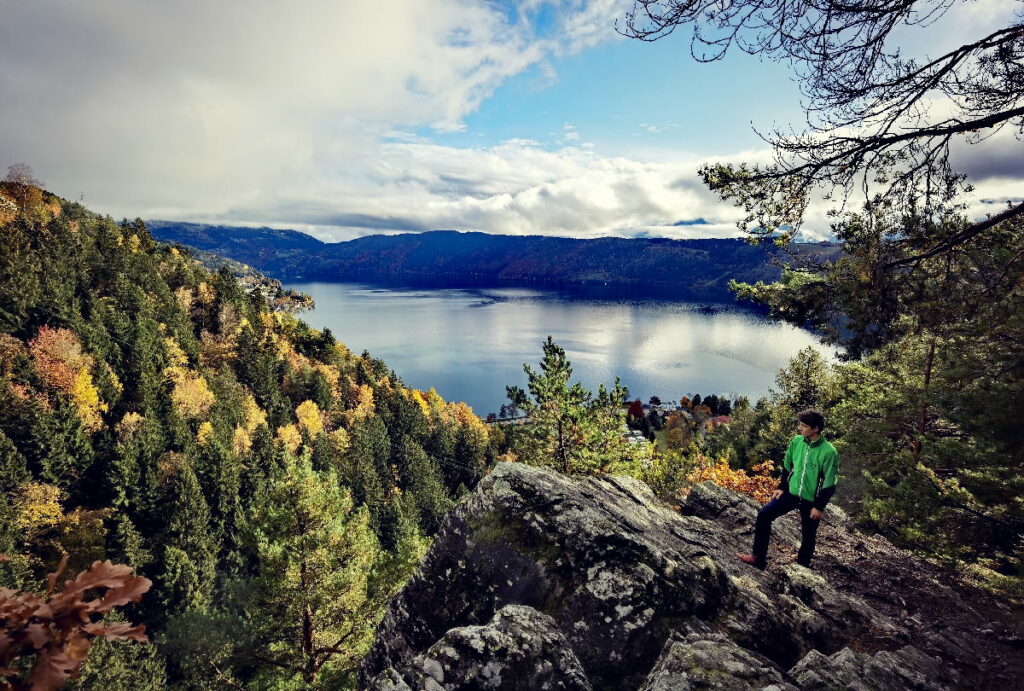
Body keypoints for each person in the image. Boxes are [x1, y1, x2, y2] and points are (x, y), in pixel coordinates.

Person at [737, 410, 839, 570]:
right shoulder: (797, 441)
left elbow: (830, 482)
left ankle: (801, 569)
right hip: (791, 493)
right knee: (764, 515)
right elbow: (787, 465)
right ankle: (758, 559)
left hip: (811, 499)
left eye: (804, 426)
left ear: (816, 429)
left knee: (808, 534)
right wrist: (782, 488)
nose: (800, 428)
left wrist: (819, 506)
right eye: (800, 425)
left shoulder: (829, 451)